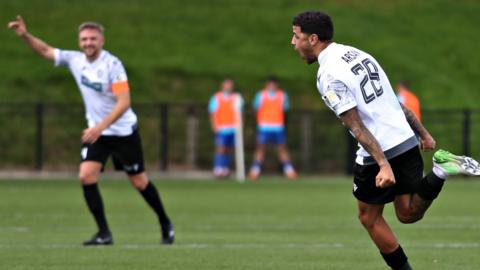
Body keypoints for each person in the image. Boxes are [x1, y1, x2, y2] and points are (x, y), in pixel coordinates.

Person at [291, 11, 480, 270]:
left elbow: (356, 125)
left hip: (379, 150)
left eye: (296, 36)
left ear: (313, 39)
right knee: (407, 212)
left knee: (368, 216)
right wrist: (422, 132)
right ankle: (440, 171)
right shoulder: (358, 54)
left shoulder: (328, 75)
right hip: (404, 139)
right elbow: (393, 101)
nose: (293, 42)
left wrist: (382, 164)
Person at [8, 16, 174, 246]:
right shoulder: (75, 60)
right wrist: (25, 35)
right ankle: (104, 233)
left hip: (123, 132)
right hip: (97, 133)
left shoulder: (113, 65)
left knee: (139, 181)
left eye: (93, 39)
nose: (88, 43)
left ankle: (165, 223)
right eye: (84, 39)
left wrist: (100, 127)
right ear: (79, 42)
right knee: (86, 176)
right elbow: (46, 51)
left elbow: (124, 102)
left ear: (102, 41)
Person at [248, 76, 297, 180]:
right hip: (264, 127)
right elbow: (255, 109)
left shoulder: (282, 95)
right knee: (261, 148)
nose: (272, 86)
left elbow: (285, 110)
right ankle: (255, 171)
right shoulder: (260, 95)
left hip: (278, 127)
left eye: (273, 84)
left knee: (282, 148)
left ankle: (289, 170)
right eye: (270, 84)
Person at [208, 79, 243, 178]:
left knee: (229, 148)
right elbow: (212, 113)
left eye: (230, 85)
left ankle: (225, 168)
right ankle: (218, 167)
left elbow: (240, 113)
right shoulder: (216, 97)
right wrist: (214, 125)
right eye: (227, 85)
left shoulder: (236, 98)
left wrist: (240, 125)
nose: (229, 87)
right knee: (221, 148)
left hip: (233, 127)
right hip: (222, 128)